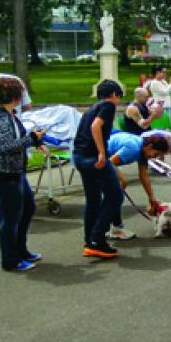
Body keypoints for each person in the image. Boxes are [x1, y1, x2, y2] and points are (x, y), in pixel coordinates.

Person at [0, 77, 44, 271]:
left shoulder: (9, 113)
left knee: (28, 209)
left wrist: (36, 141)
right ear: (14, 95)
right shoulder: (1, 118)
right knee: (10, 219)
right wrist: (31, 139)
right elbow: (5, 147)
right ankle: (10, 260)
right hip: (3, 174)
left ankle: (21, 250)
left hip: (15, 172)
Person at [73, 79, 125, 259]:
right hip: (93, 157)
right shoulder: (108, 106)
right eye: (119, 97)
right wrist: (102, 152)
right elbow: (96, 126)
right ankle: (97, 237)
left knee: (93, 199)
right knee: (115, 195)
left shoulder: (90, 108)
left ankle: (90, 241)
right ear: (115, 95)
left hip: (79, 156)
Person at [104, 132, 170, 241]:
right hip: (96, 159)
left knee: (114, 196)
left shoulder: (143, 151)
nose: (155, 157)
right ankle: (111, 229)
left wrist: (151, 198)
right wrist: (122, 180)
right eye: (156, 154)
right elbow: (109, 163)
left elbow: (144, 175)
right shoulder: (133, 148)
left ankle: (115, 227)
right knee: (114, 196)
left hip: (100, 160)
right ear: (149, 146)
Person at [146, 65, 171, 132]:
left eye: (165, 72)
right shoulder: (154, 83)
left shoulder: (163, 81)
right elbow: (165, 92)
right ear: (157, 73)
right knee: (160, 127)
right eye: (163, 72)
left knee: (165, 126)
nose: (165, 73)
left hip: (167, 105)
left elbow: (170, 90)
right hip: (160, 107)